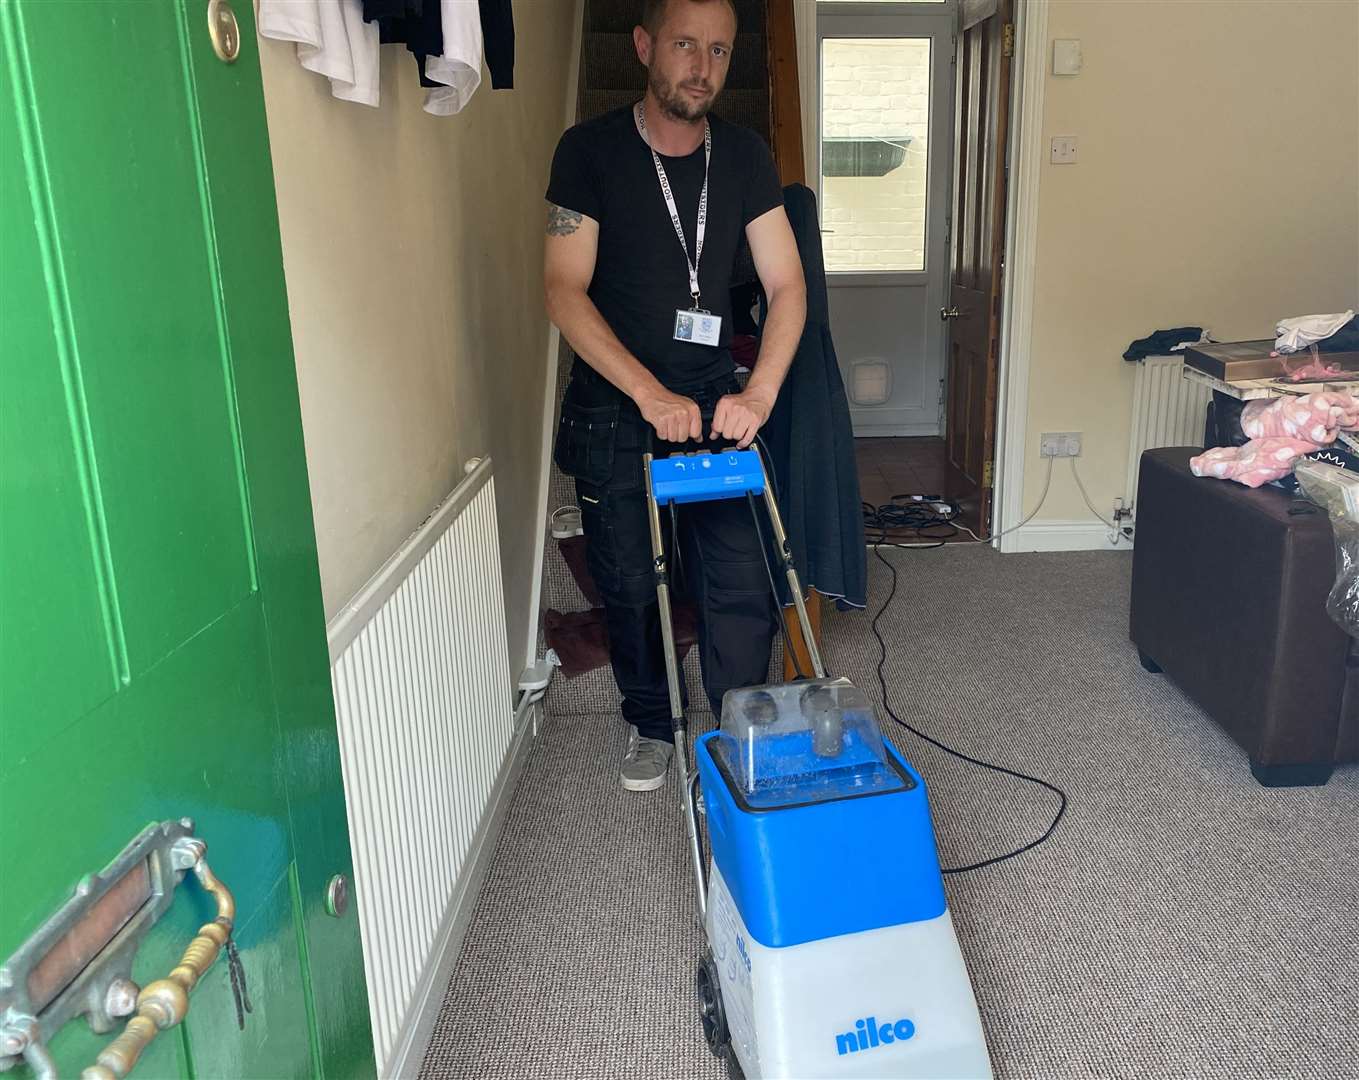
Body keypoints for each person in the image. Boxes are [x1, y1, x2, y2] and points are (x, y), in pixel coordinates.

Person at [543, 0, 806, 791]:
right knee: (626, 580)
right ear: (643, 46)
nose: (702, 66)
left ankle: (736, 720)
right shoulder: (587, 152)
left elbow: (786, 284)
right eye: (685, 45)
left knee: (737, 578)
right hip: (619, 402)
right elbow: (562, 289)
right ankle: (651, 721)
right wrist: (647, 391)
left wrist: (756, 395)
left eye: (720, 51)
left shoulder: (747, 156)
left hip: (714, 403)